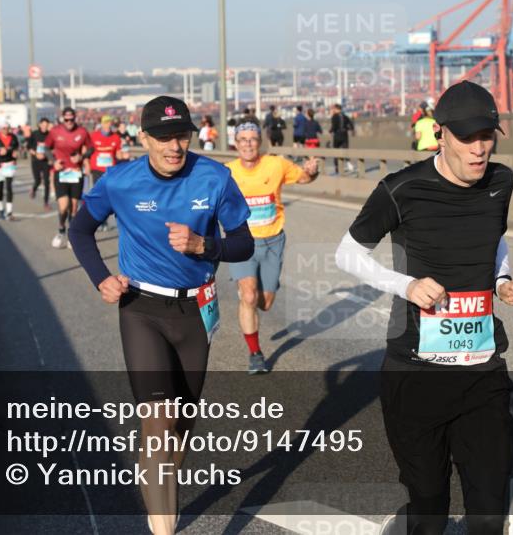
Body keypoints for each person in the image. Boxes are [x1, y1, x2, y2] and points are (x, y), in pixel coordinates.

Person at [335, 81, 513, 535]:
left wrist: (502, 282)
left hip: (482, 370)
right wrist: (406, 285)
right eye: (467, 137)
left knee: (488, 515)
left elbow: (494, 237)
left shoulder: (501, 182)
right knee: (430, 511)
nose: (480, 148)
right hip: (416, 373)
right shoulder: (401, 189)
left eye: (488, 136)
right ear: (439, 134)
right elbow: (346, 253)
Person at [68, 96, 254, 535]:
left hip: (196, 308)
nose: (175, 146)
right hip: (142, 308)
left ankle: (158, 477)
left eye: (182, 135)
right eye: (165, 137)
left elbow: (243, 244)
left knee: (182, 424)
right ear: (144, 138)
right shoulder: (120, 181)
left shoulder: (214, 177)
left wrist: (203, 247)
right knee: (158, 417)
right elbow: (80, 230)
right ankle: (163, 526)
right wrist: (101, 279)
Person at [225, 121, 320, 374]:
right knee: (248, 295)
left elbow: (304, 177)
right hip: (241, 241)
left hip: (273, 240)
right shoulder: (226, 173)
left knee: (265, 303)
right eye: (242, 139)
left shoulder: (276, 164)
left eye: (252, 139)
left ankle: (253, 300)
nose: (247, 144)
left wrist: (312, 171)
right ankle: (255, 353)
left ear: (260, 142)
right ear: (235, 143)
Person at [45, 107, 91, 248]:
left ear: (75, 118)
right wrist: (54, 161)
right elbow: (46, 148)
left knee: (74, 207)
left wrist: (82, 156)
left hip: (76, 172)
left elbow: (91, 148)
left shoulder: (82, 132)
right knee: (64, 206)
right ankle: (60, 230)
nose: (69, 122)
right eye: (66, 119)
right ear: (62, 119)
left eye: (71, 119)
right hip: (62, 172)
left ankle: (71, 235)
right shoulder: (55, 131)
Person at [87, 115, 128, 231]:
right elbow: (87, 150)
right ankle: (101, 221)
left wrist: (123, 156)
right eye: (105, 123)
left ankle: (113, 220)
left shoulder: (116, 137)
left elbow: (119, 153)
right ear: (101, 124)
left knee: (111, 195)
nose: (107, 125)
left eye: (109, 123)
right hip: (97, 170)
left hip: (111, 171)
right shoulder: (94, 136)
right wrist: (85, 163)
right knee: (100, 195)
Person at [28, 117, 53, 210]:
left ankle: (46, 202)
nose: (44, 127)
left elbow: (53, 148)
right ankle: (33, 189)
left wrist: (50, 157)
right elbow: (29, 147)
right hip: (36, 161)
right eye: (43, 125)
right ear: (39, 125)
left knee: (47, 182)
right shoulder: (34, 134)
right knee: (38, 180)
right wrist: (36, 154)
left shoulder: (50, 135)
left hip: (46, 161)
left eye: (46, 125)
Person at [328, 104, 355, 174]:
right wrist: (351, 130)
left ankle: (337, 167)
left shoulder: (334, 116)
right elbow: (351, 125)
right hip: (344, 135)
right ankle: (349, 164)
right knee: (345, 150)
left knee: (336, 151)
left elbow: (334, 126)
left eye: (334, 109)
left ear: (336, 109)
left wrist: (330, 131)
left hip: (337, 135)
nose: (333, 110)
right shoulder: (345, 116)